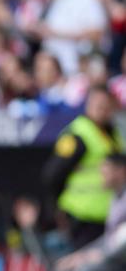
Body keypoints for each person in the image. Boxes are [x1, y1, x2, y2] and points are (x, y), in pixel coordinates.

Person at [43, 86, 123, 249]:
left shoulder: (114, 132)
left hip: (108, 214)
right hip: (81, 214)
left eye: (106, 106)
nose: (103, 110)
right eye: (98, 105)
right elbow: (52, 174)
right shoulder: (78, 135)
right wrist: (57, 209)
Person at [55, 153, 126, 271]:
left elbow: (121, 242)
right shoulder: (116, 196)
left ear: (121, 171)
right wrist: (81, 254)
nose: (101, 176)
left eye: (105, 172)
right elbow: (111, 237)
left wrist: (98, 256)